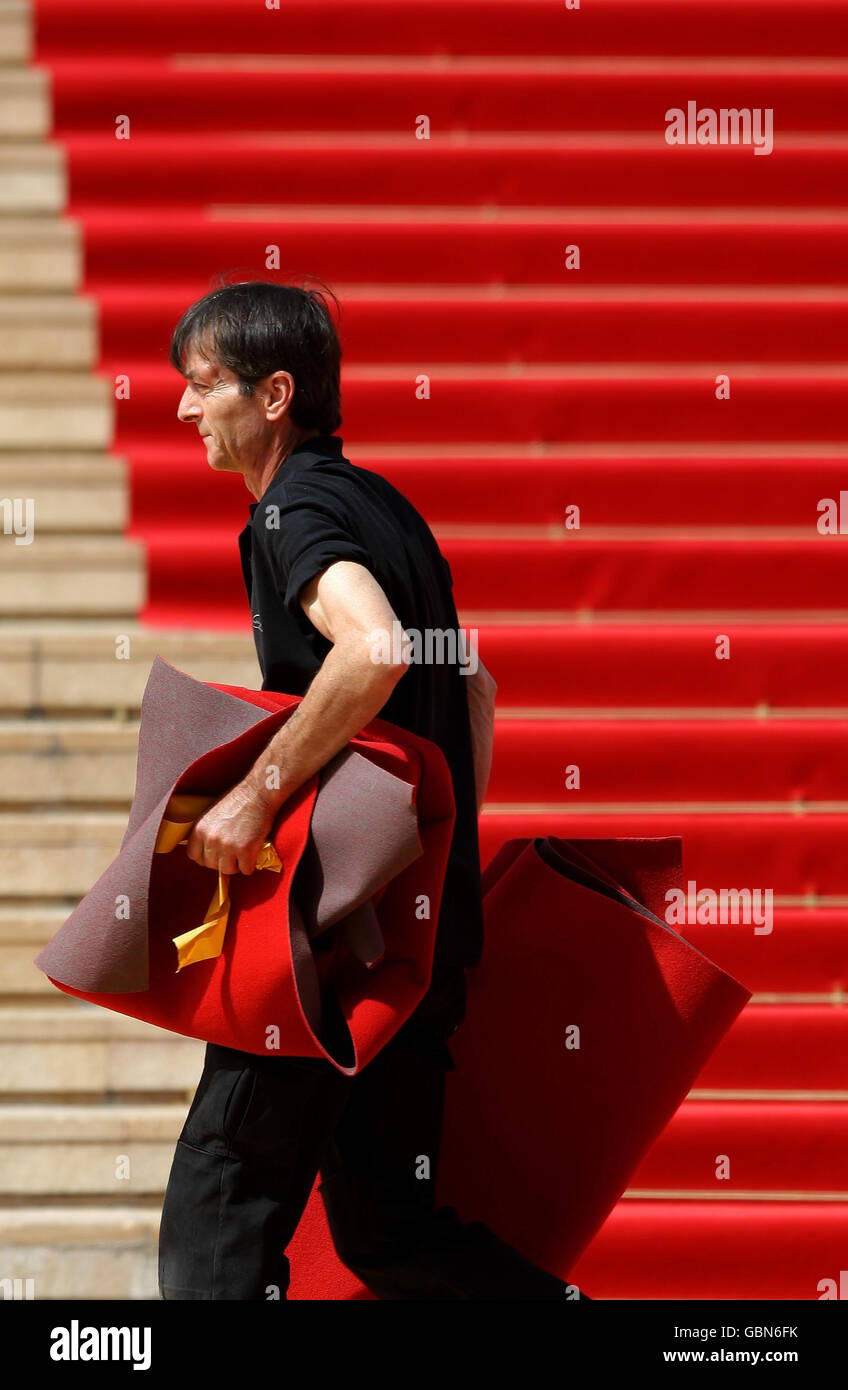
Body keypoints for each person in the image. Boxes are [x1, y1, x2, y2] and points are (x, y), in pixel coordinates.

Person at [156, 279, 589, 1300]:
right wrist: (431, 862)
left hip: (329, 944)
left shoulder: (291, 510)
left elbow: (377, 649)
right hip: (413, 943)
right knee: (392, 1230)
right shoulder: (382, 503)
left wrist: (257, 791)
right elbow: (473, 686)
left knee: (219, 1210)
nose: (183, 409)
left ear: (273, 394)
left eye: (201, 384)